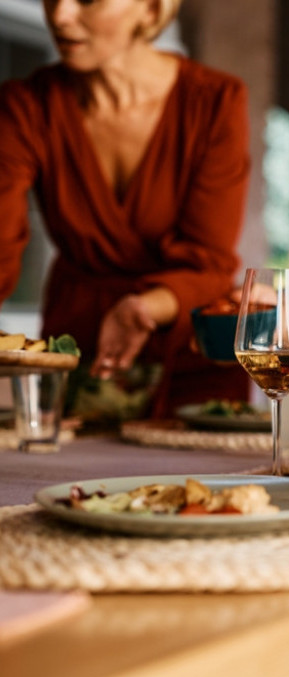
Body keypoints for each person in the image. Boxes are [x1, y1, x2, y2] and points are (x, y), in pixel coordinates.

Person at [0, 0, 251, 417]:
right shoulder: (24, 106)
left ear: (151, 10)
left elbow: (209, 263)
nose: (59, 15)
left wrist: (143, 307)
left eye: (87, 0)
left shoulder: (215, 102)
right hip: (77, 355)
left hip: (191, 349)